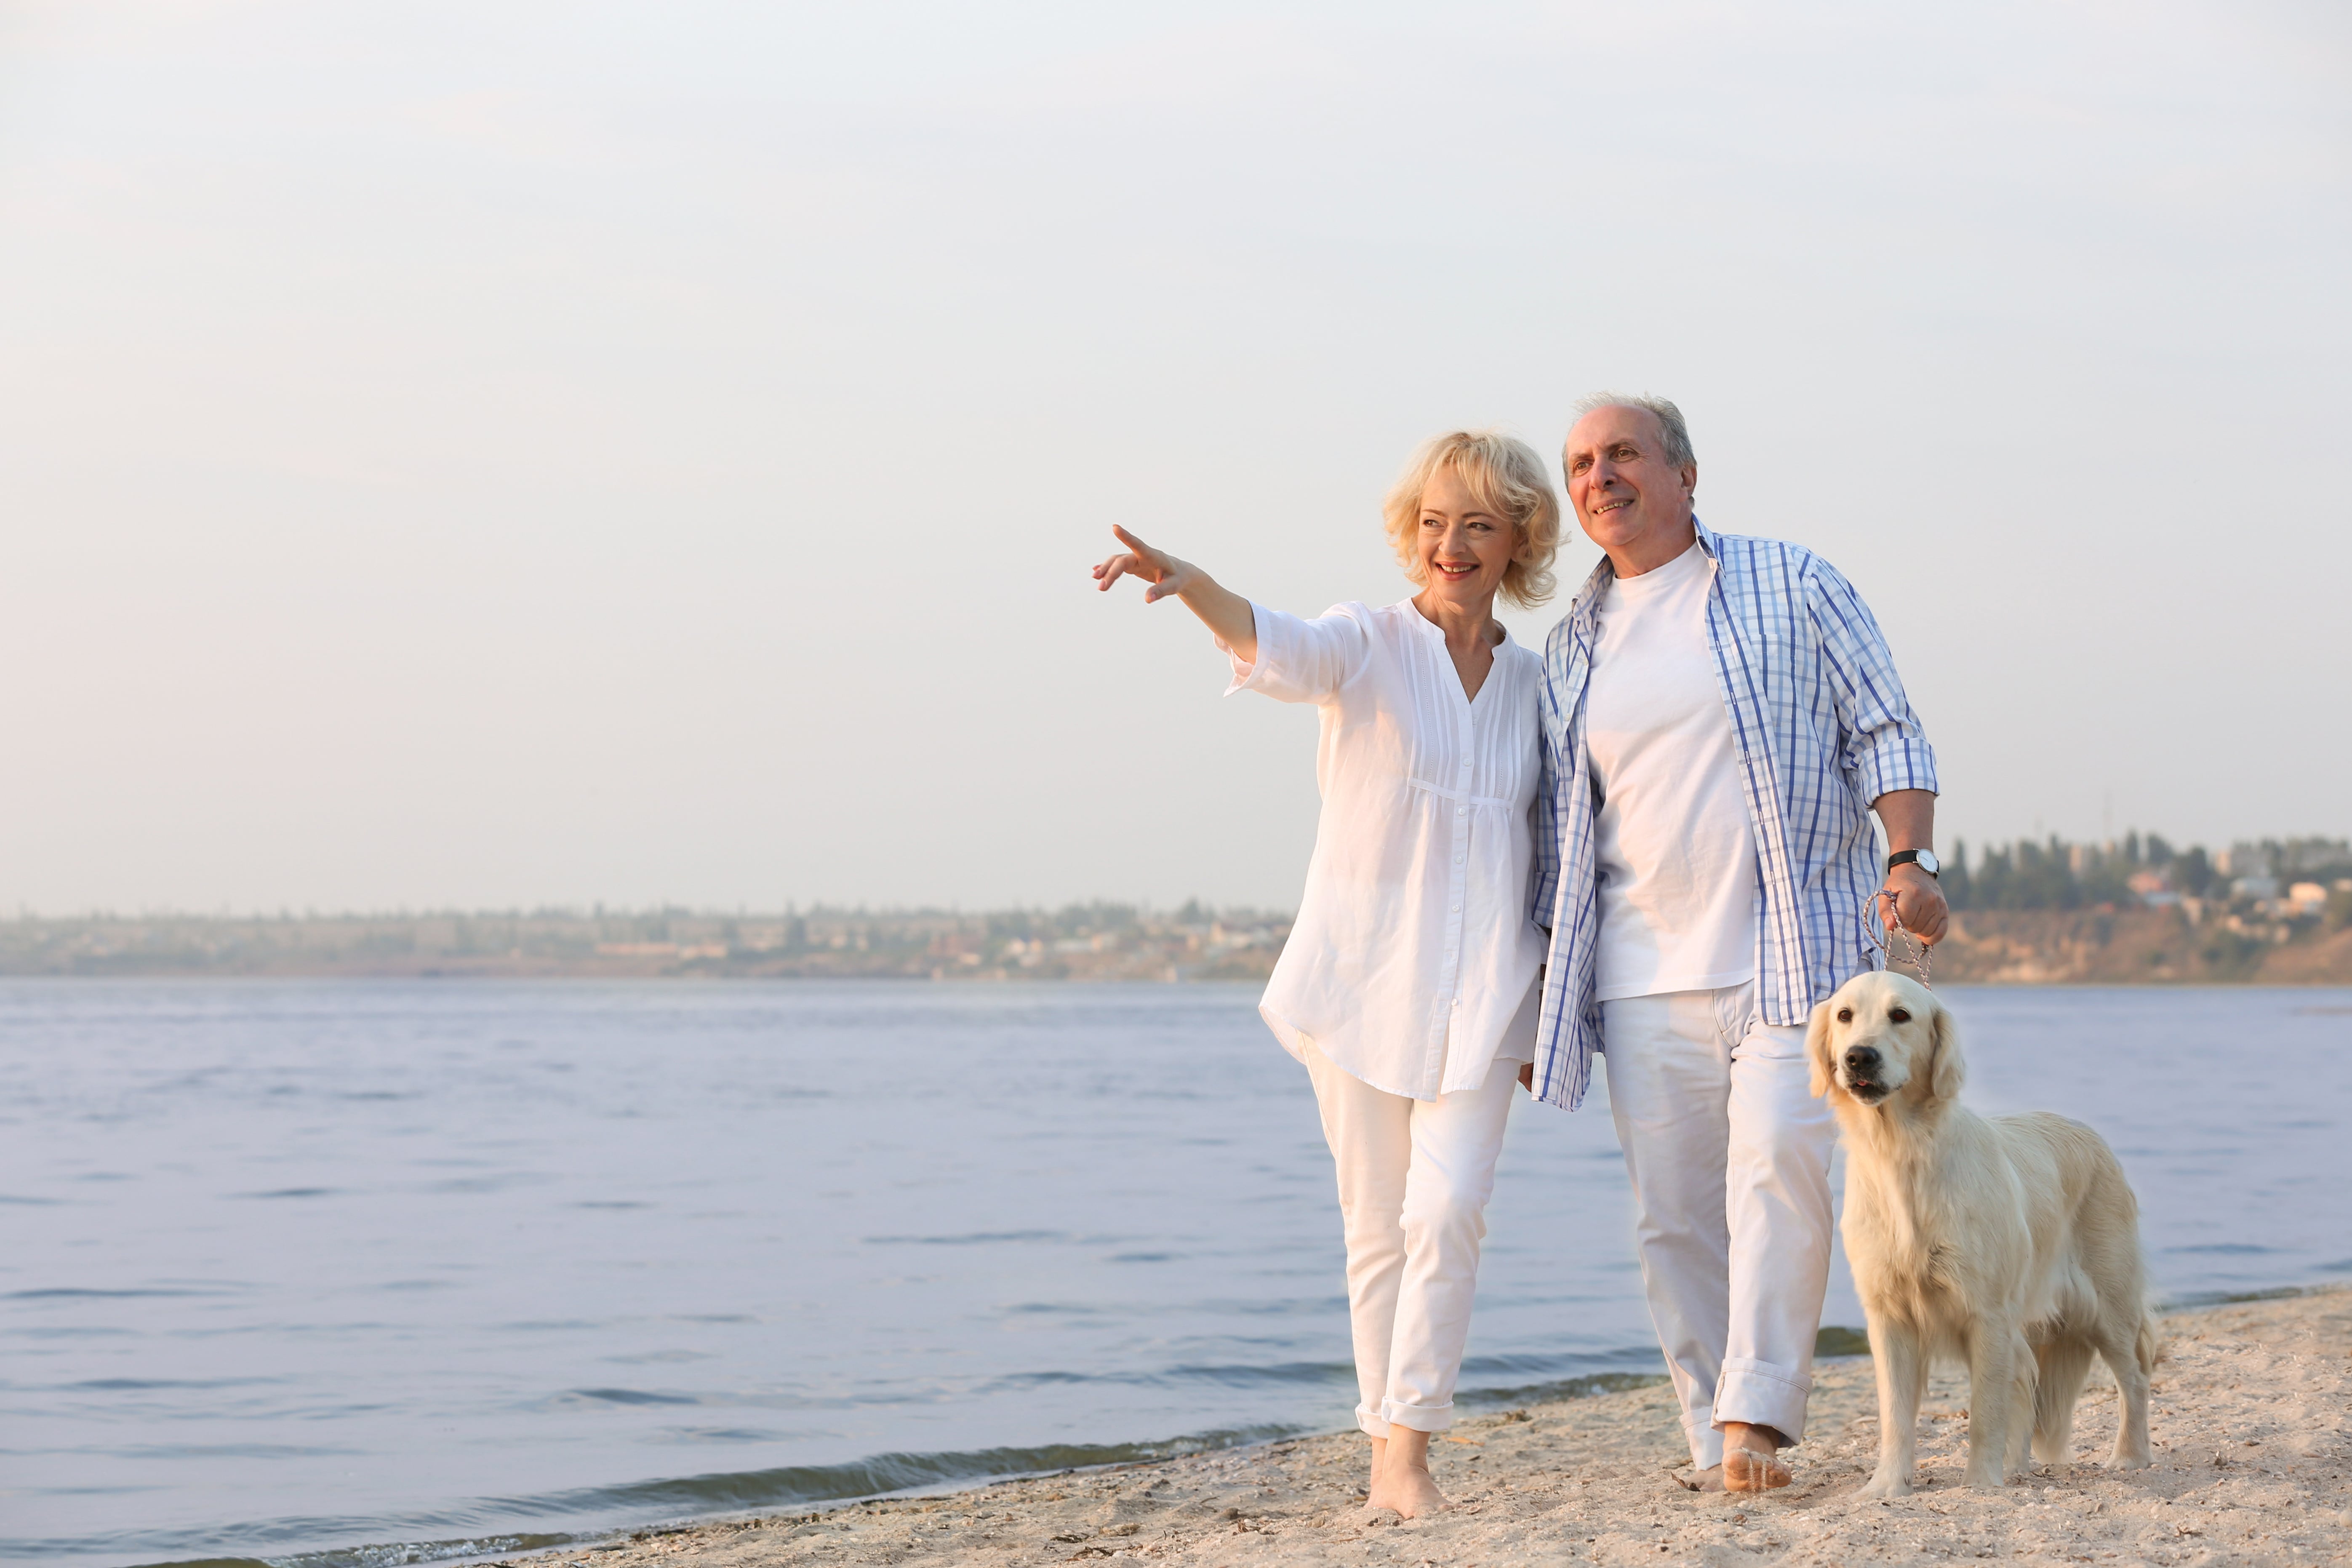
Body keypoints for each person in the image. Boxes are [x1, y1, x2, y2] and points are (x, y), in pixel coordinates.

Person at [1091, 432, 1560, 1518]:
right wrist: (1192, 584)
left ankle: (1410, 1444)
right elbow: (1277, 644)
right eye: (1436, 522)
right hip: (1360, 983)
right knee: (1377, 1225)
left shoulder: (1541, 684)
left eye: (1480, 524)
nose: (1454, 544)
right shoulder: (1366, 643)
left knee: (1448, 1215)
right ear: (1413, 534)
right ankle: (1394, 1457)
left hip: (1490, 993)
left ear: (1518, 542)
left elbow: (1558, 849)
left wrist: (1552, 1015)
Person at [1521, 394, 1947, 1494]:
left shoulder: (1791, 581)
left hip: (1793, 948)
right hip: (1636, 970)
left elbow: (1885, 724)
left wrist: (1909, 863)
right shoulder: (1570, 645)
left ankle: (1755, 1419)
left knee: (1778, 1168)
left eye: (1621, 454)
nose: (1598, 477)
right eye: (1579, 463)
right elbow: (1551, 835)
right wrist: (1538, 997)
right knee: (1671, 1217)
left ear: (1684, 472)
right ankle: (1712, 1423)